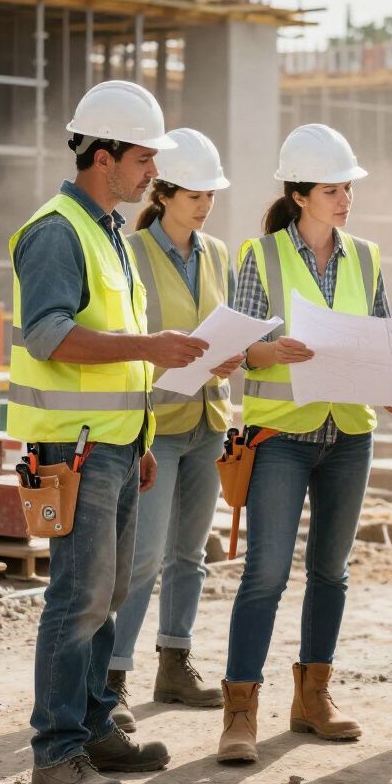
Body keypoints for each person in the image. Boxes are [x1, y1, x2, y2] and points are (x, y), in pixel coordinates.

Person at [10, 81, 213, 784]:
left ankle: (94, 727)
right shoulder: (58, 231)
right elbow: (50, 334)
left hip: (118, 447)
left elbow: (122, 359)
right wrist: (152, 344)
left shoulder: (107, 233)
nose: (151, 173)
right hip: (75, 450)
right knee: (77, 599)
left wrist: (143, 436)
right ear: (102, 156)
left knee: (109, 595)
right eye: (142, 158)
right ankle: (56, 754)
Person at [217, 124, 392, 765]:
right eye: (331, 189)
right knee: (265, 573)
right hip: (282, 437)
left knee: (331, 573)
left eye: (347, 186)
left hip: (348, 434)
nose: (345, 198)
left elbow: (381, 338)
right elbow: (233, 353)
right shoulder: (258, 257)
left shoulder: (368, 257)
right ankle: (240, 711)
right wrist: (266, 351)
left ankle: (312, 698)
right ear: (298, 196)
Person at [107, 128, 244, 730]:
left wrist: (232, 355)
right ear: (162, 194)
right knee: (141, 559)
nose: (206, 205)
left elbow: (227, 326)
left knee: (190, 554)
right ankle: (111, 679)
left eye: (211, 194)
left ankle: (174, 661)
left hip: (208, 419)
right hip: (155, 426)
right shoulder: (132, 255)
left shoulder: (218, 254)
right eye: (195, 194)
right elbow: (126, 342)